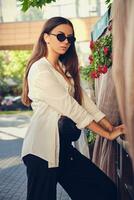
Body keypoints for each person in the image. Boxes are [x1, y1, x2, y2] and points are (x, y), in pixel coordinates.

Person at [21, 16, 124, 200]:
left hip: (62, 148)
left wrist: (112, 127)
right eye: (61, 36)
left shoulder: (63, 68)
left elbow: (86, 103)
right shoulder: (40, 70)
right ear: (46, 37)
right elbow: (72, 109)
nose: (66, 42)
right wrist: (107, 134)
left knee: (104, 190)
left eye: (70, 38)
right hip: (41, 150)